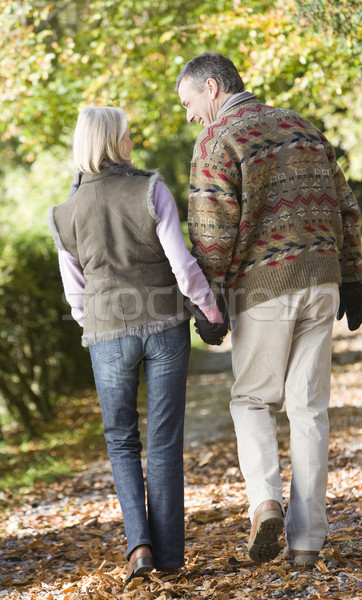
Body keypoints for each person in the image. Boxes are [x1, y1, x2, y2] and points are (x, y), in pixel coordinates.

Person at [175, 52, 362, 567]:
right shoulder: (301, 127)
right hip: (323, 281)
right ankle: (306, 542)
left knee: (252, 401)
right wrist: (353, 279)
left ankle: (264, 502)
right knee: (309, 410)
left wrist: (209, 303)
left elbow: (212, 232)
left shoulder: (217, 141)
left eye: (189, 101)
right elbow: (345, 205)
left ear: (212, 88)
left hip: (263, 289)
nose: (190, 115)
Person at [47, 106, 226, 581]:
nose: (131, 141)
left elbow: (75, 293)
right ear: (113, 141)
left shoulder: (63, 214)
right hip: (165, 324)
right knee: (164, 440)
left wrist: (97, 327)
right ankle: (167, 557)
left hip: (106, 333)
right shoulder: (151, 190)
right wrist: (209, 312)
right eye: (126, 135)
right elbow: (183, 265)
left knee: (121, 441)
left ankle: (139, 547)